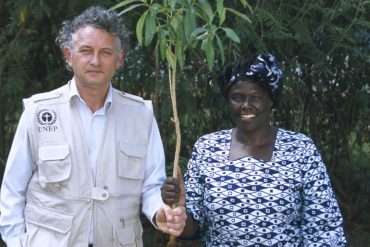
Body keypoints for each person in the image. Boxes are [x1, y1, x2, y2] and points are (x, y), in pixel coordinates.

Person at [0, 6, 186, 247]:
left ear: (119, 60)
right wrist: (15, 242)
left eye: (106, 52)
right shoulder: (39, 112)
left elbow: (151, 185)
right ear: (68, 55)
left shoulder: (140, 115)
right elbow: (12, 191)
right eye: (86, 51)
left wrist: (161, 214)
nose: (95, 61)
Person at [162, 53, 347, 246]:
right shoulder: (208, 148)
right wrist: (179, 209)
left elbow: (325, 229)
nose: (246, 106)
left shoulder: (300, 150)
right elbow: (191, 229)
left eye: (255, 97)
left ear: (271, 100)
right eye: (237, 97)